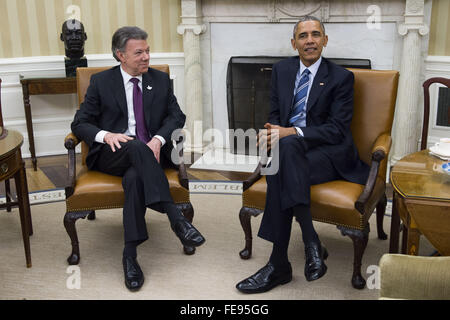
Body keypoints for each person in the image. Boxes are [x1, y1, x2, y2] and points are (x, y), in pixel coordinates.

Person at [235, 16, 369, 294]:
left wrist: (290, 132)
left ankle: (279, 264)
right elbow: (273, 115)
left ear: (325, 40)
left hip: (329, 155)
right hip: (291, 153)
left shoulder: (342, 77)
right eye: (304, 36)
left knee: (282, 162)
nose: (310, 40)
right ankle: (309, 242)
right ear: (294, 43)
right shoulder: (281, 71)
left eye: (315, 34)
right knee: (286, 154)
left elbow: (336, 130)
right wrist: (274, 132)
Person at [71, 26, 205, 292]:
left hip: (150, 155)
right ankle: (175, 218)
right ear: (120, 55)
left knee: (134, 179)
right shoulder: (101, 82)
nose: (146, 57)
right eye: (139, 52)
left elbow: (176, 117)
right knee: (133, 146)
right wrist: (106, 135)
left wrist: (158, 140)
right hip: (112, 155)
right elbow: (80, 123)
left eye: (148, 51)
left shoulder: (161, 80)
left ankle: (129, 254)